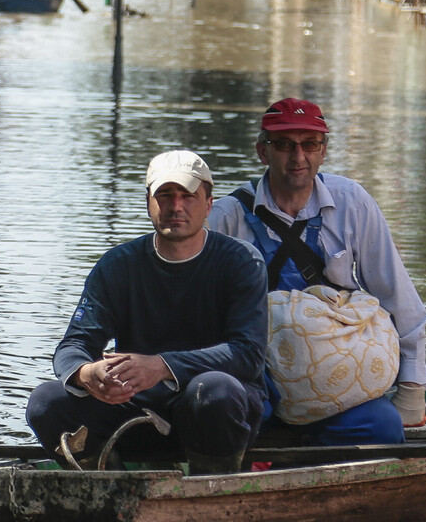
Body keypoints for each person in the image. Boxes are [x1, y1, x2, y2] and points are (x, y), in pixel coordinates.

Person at [25, 150, 269, 475]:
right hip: (136, 409)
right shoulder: (117, 265)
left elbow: (248, 355)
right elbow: (74, 345)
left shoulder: (241, 262)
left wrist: (162, 366)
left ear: (209, 204)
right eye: (165, 195)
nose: (176, 207)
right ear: (148, 202)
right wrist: (89, 374)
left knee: (213, 391)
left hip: (214, 413)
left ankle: (211, 489)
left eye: (188, 196)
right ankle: (106, 485)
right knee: (46, 402)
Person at [207, 98, 426, 447]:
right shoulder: (226, 217)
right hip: (258, 376)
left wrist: (412, 388)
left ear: (323, 151)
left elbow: (396, 296)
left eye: (309, 144)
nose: (298, 158)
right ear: (262, 152)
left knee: (384, 428)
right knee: (230, 415)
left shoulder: (352, 202)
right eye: (284, 145)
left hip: (338, 380)